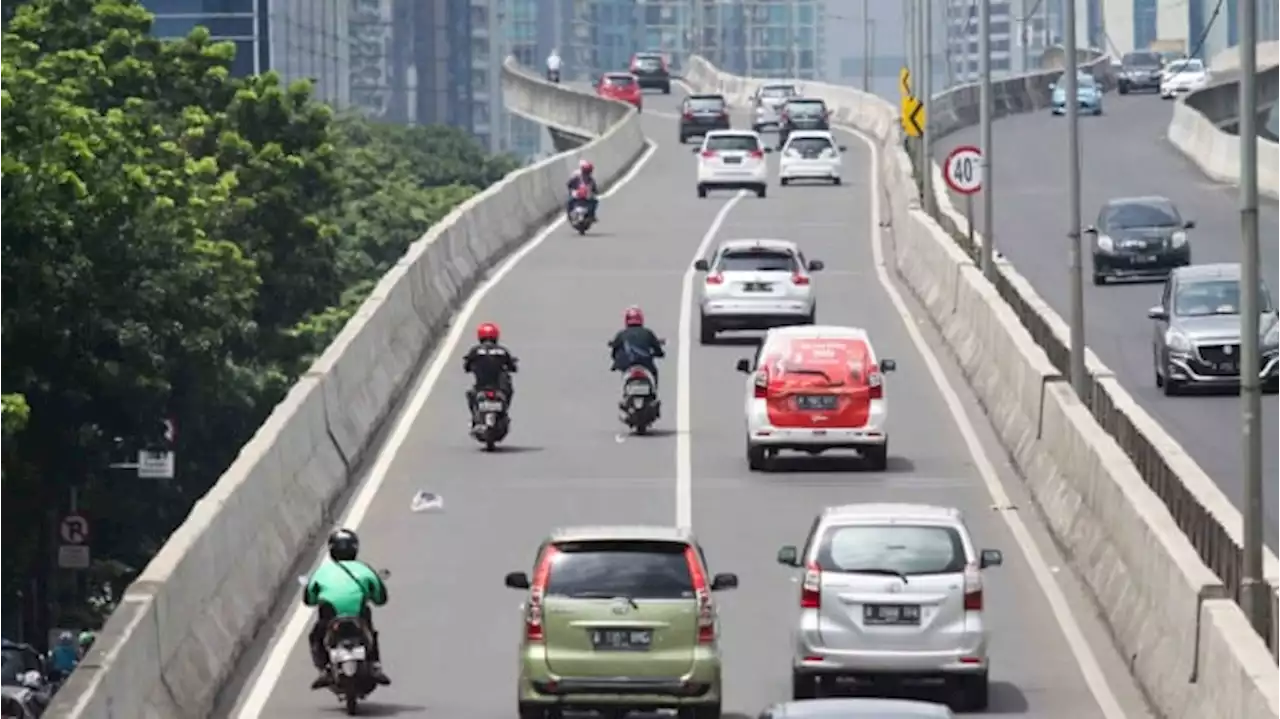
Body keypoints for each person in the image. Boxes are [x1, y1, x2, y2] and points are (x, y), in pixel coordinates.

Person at [303, 529, 390, 690]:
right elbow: (381, 599)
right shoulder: (365, 570)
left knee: (316, 636)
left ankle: (324, 669)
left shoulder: (322, 572)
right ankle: (375, 665)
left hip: (331, 618)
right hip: (358, 617)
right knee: (370, 631)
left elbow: (309, 599)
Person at [462, 322, 518, 424]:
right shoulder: (502, 351)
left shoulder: (475, 351)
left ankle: (475, 419)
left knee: (470, 396)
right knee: (509, 391)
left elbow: (466, 367)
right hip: (499, 388)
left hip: (481, 387)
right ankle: (504, 414)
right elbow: (513, 367)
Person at [609, 306, 665, 391]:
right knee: (654, 372)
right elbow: (658, 350)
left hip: (628, 366)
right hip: (645, 364)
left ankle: (625, 392)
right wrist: (658, 353)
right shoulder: (647, 333)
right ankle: (654, 391)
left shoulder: (621, 334)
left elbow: (614, 353)